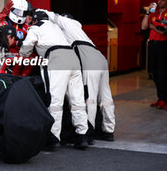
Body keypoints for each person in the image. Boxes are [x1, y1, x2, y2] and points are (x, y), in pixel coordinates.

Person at [39, 9, 115, 143]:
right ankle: (108, 131)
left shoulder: (67, 23)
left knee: (89, 97)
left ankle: (88, 133)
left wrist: (39, 11)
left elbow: (54, 17)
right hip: (99, 57)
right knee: (105, 97)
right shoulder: (78, 28)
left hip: (87, 58)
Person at [19, 10, 88, 149]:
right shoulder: (57, 27)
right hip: (73, 59)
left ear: (34, 20)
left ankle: (53, 139)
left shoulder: (35, 27)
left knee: (55, 100)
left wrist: (22, 52)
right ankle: (82, 136)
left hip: (56, 59)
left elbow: (25, 49)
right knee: (77, 99)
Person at [141, 0, 167, 109]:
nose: (161, 2)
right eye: (159, 0)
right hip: (152, 44)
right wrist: (147, 12)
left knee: (162, 73)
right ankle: (159, 98)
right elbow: (144, 27)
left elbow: (165, 31)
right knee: (153, 73)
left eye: (163, 0)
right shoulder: (153, 13)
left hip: (163, 45)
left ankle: (164, 99)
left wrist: (154, 27)